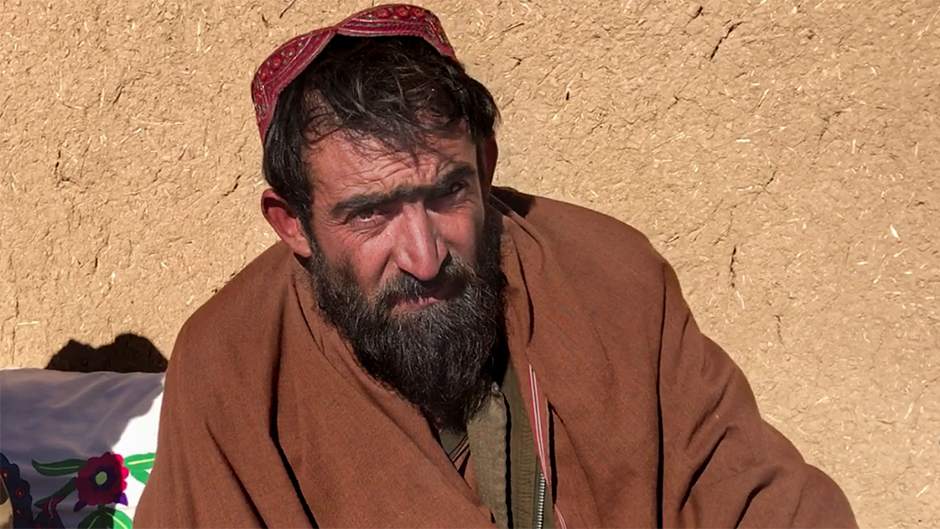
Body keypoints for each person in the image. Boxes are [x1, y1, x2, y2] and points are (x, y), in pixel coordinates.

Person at [134, 4, 856, 528]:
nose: (422, 255)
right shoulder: (231, 366)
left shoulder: (612, 278)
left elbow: (758, 495)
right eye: (369, 213)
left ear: (484, 166)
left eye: (447, 191)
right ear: (294, 223)